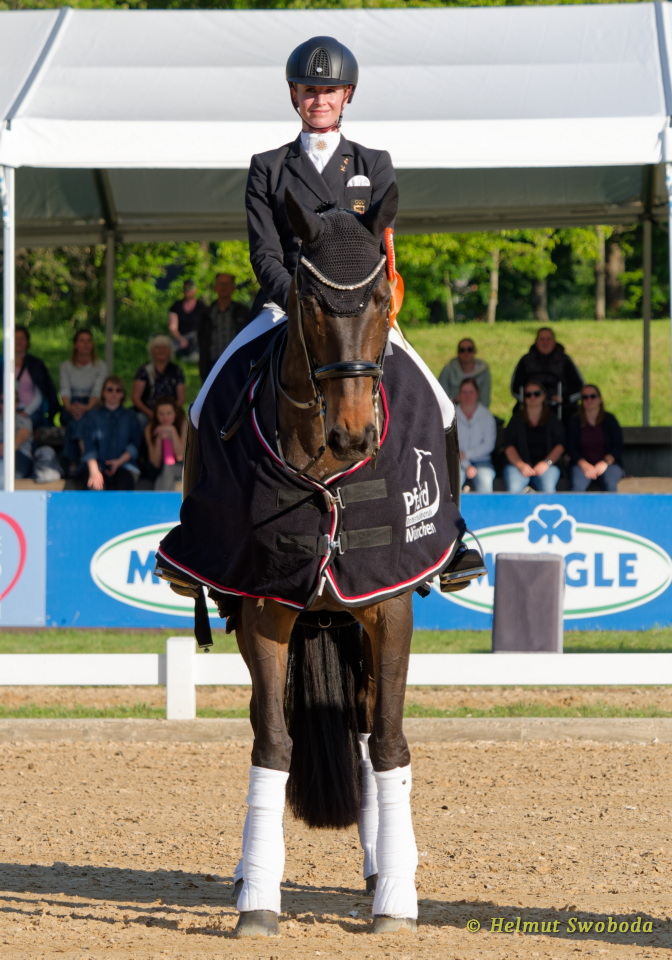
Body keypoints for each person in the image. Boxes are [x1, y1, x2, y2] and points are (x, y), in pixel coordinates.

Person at [237, 35, 484, 589]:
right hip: (288, 305)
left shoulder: (373, 164)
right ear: (294, 95)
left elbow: (380, 250)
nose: (318, 100)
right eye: (308, 90)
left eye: (328, 91)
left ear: (346, 95)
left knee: (441, 406)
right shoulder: (268, 167)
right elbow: (264, 252)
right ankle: (199, 529)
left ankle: (452, 535)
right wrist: (300, 303)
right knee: (208, 398)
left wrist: (351, 305)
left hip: (359, 315)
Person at [80, 376, 141, 491]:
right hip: (96, 466)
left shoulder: (130, 416)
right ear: (103, 393)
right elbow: (88, 445)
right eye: (110, 390)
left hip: (124, 465)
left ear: (122, 394)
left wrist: (119, 462)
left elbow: (135, 443)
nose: (114, 393)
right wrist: (94, 471)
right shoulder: (92, 416)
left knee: (123, 489)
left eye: (118, 390)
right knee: (94, 488)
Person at [510, 327, 583, 422]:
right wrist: (530, 398)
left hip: (560, 408)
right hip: (531, 406)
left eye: (549, 339)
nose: (545, 342)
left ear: (554, 341)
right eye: (542, 339)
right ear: (536, 342)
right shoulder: (525, 360)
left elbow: (579, 387)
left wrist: (564, 399)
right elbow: (515, 388)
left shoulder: (565, 360)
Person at [503, 380, 565, 493]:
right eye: (528, 394)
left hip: (547, 466)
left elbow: (560, 445)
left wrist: (546, 464)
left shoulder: (552, 419)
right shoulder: (516, 419)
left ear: (543, 396)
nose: (532, 397)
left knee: (548, 488)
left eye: (536, 394)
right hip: (518, 466)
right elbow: (509, 445)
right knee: (514, 488)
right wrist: (521, 465)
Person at [60, 328, 107, 472]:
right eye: (82, 341)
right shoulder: (66, 366)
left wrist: (86, 408)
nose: (85, 344)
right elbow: (65, 390)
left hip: (93, 403)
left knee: (80, 422)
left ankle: (75, 461)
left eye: (88, 341)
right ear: (75, 344)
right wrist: (70, 407)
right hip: (72, 403)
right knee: (73, 420)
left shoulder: (100, 366)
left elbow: (98, 391)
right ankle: (84, 460)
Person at [568, 384, 625, 492]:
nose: (589, 400)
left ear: (600, 399)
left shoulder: (610, 419)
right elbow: (571, 447)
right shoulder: (575, 421)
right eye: (585, 397)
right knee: (577, 486)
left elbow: (618, 445)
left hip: (608, 464)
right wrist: (584, 465)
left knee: (611, 484)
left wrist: (605, 463)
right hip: (582, 464)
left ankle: (611, 504)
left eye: (593, 396)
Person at [198, 273, 250, 381]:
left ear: (233, 288)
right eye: (220, 283)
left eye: (227, 284)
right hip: (212, 365)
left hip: (235, 363)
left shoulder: (243, 312)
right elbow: (202, 342)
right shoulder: (205, 313)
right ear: (215, 287)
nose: (223, 287)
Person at [132, 335, 186, 426]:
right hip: (148, 412)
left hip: (171, 413)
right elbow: (136, 398)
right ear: (151, 351)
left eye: (164, 347)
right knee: (140, 419)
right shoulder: (144, 370)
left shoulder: (176, 371)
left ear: (170, 351)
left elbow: (181, 399)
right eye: (157, 348)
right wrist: (151, 414)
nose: (161, 350)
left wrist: (168, 414)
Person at [13, 325, 60, 428]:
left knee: (23, 425)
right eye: (15, 338)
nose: (18, 342)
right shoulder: (2, 363)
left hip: (31, 410)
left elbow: (40, 394)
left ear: (27, 342)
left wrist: (26, 412)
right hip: (5, 410)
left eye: (22, 338)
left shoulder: (35, 364)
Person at [454, 378, 496, 493]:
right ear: (459, 395)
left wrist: (467, 454)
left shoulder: (486, 416)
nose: (467, 396)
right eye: (464, 392)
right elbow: (449, 443)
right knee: (454, 481)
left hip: (482, 460)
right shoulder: (451, 415)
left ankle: (485, 506)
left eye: (471, 392)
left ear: (477, 394)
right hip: (457, 460)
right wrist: (466, 465)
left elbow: (489, 444)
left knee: (485, 480)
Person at [144, 400, 187, 491]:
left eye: (169, 413)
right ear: (156, 415)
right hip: (159, 470)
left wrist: (172, 431)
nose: (165, 417)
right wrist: (159, 438)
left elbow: (180, 456)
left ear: (175, 414)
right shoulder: (150, 428)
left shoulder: (183, 425)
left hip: (182, 468)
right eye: (161, 414)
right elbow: (155, 462)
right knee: (166, 471)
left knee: (168, 470)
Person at [439, 338, 491, 408]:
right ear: (458, 353)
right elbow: (440, 398)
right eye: (462, 350)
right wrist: (455, 400)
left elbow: (485, 400)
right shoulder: (448, 370)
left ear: (474, 352)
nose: (466, 353)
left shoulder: (483, 372)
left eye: (470, 349)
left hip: (476, 411)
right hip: (452, 409)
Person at [168, 280, 209, 361]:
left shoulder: (202, 306)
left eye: (190, 289)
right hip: (180, 338)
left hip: (196, 339)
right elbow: (172, 327)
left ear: (195, 290)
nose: (188, 291)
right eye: (186, 289)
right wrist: (181, 339)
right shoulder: (176, 306)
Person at [0, 391, 33, 485]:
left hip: (19, 457)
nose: (5, 404)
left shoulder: (23, 419)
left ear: (16, 403)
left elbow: (14, 445)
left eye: (9, 400)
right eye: (2, 401)